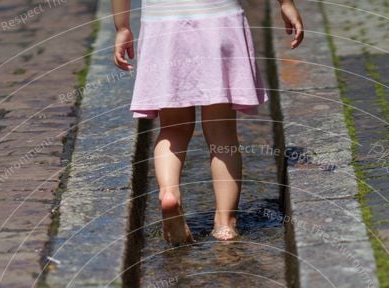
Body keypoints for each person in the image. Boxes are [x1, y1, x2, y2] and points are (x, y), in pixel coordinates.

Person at [112, 0, 304, 245]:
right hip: (219, 19)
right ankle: (225, 223)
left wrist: (122, 27)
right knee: (222, 131)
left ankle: (169, 192)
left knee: (173, 129)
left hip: (164, 26)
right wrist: (285, 3)